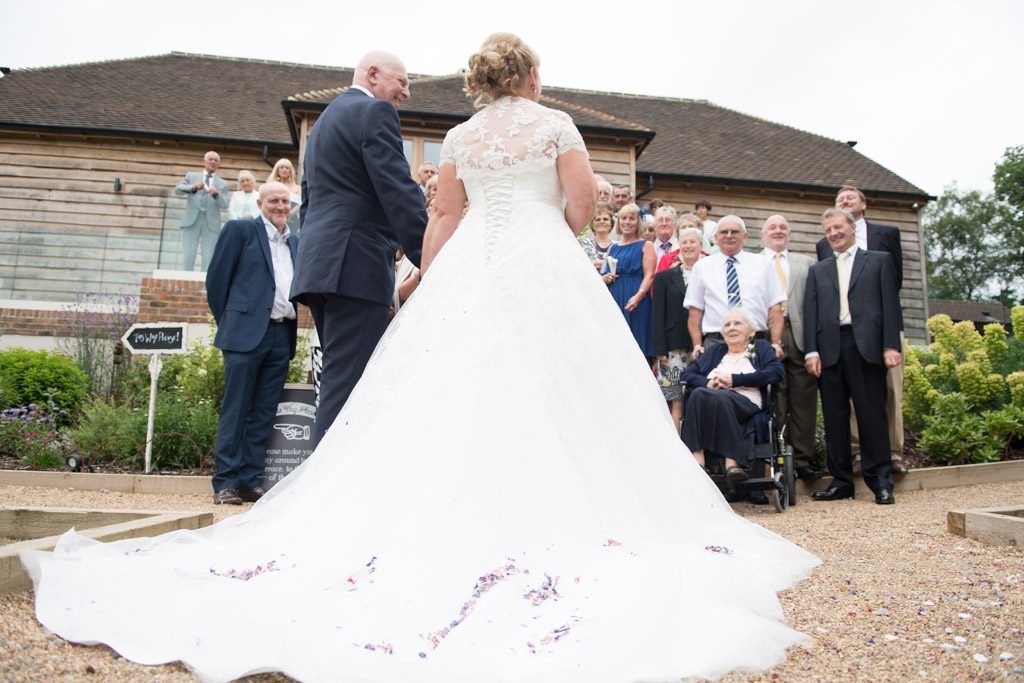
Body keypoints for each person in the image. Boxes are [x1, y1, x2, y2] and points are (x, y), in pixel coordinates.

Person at [23, 33, 818, 683]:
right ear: (532, 76)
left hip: (472, 263)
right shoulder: (554, 125)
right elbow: (579, 203)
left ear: (477, 80)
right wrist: (556, 236)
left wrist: (436, 282)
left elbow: (441, 216)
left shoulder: (461, 136)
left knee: (439, 387)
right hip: (540, 259)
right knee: (565, 385)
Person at [291, 50, 428, 447]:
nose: (405, 93)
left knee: (338, 379)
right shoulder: (375, 114)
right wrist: (433, 259)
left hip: (321, 268)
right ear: (372, 75)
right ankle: (320, 498)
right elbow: (398, 190)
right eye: (401, 82)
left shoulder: (325, 123)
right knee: (348, 390)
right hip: (355, 267)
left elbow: (309, 201)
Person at [204, 182, 299, 505]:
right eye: (274, 200)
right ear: (259, 203)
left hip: (281, 334)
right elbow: (217, 282)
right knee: (237, 408)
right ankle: (226, 482)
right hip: (245, 334)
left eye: (285, 201)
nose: (280, 206)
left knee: (263, 413)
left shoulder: (295, 242)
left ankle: (249, 479)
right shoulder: (240, 231)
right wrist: (232, 323)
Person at [805, 208, 902, 505]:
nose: (833, 234)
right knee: (834, 418)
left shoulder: (879, 261)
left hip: (866, 345)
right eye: (828, 231)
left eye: (837, 228)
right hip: (830, 347)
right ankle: (842, 481)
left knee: (871, 415)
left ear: (852, 228)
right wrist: (811, 350)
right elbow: (811, 312)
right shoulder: (818, 270)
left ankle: (880, 481)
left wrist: (890, 345)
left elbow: (890, 305)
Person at [681, 307, 784, 479]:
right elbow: (687, 374)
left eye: (737, 323)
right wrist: (708, 383)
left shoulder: (761, 348)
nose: (731, 328)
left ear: (751, 331)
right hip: (713, 399)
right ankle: (697, 459)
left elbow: (776, 372)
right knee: (698, 394)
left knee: (723, 396)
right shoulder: (716, 351)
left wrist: (735, 380)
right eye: (727, 325)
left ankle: (733, 461)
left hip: (746, 402)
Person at [760, 214, 821, 482]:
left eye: (783, 227)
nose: (778, 231)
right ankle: (774, 459)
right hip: (766, 335)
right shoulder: (754, 263)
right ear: (763, 235)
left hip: (799, 336)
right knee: (774, 400)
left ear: (790, 233)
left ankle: (802, 460)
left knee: (804, 400)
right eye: (772, 227)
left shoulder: (807, 264)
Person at [684, 215, 785, 358]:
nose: (729, 236)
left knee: (756, 381)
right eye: (724, 232)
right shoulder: (702, 267)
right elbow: (695, 311)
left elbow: (775, 308)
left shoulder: (764, 265)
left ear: (745, 236)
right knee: (716, 381)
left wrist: (775, 343)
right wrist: (697, 345)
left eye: (735, 232)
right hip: (715, 342)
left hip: (756, 341)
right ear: (716, 237)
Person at [651, 226, 702, 432]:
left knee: (698, 398)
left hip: (703, 344)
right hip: (673, 347)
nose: (689, 246)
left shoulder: (709, 273)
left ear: (701, 246)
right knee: (674, 399)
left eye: (693, 242)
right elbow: (657, 314)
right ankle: (675, 445)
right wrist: (659, 349)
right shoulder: (665, 277)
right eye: (685, 242)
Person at [601, 202, 655, 357]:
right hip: (615, 296)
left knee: (636, 342)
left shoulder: (646, 245)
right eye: (623, 218)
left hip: (636, 297)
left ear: (638, 222)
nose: (627, 222)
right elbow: (604, 271)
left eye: (632, 219)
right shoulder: (613, 248)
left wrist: (638, 296)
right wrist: (605, 278)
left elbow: (650, 275)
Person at [174, 150, 228, 270]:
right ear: (204, 162)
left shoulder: (223, 184)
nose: (213, 162)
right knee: (188, 254)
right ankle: (185, 281)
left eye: (216, 160)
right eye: (210, 159)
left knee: (208, 256)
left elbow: (225, 205)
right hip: (191, 221)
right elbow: (177, 190)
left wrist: (216, 194)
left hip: (211, 224)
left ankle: (205, 283)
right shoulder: (191, 176)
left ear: (218, 164)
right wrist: (192, 187)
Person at [268, 158, 302, 234]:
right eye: (282, 167)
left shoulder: (298, 188)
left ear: (290, 171)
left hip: (294, 221)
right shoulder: (272, 186)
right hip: (275, 219)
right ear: (277, 170)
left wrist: (290, 213)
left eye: (287, 168)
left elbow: (301, 204)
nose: (284, 170)